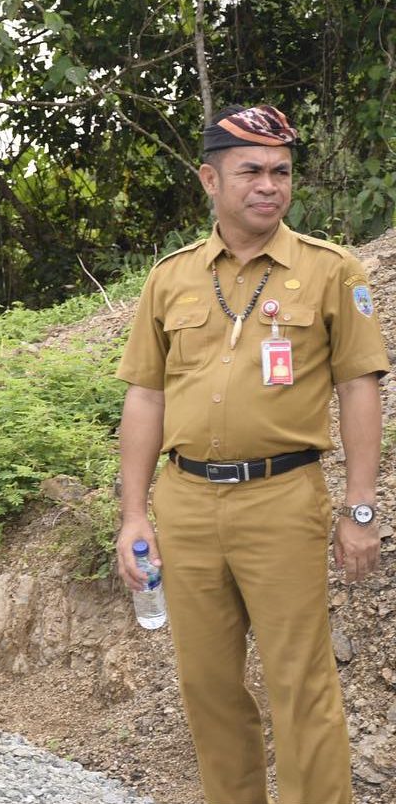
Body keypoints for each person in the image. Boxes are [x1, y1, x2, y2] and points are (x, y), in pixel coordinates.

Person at [114, 104, 387, 804]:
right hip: (186, 503)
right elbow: (145, 396)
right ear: (210, 179)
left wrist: (360, 506)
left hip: (282, 499)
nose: (269, 185)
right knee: (207, 685)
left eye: (281, 171)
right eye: (251, 171)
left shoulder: (331, 270)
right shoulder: (171, 277)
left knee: (301, 683)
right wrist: (134, 514)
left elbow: (359, 386)